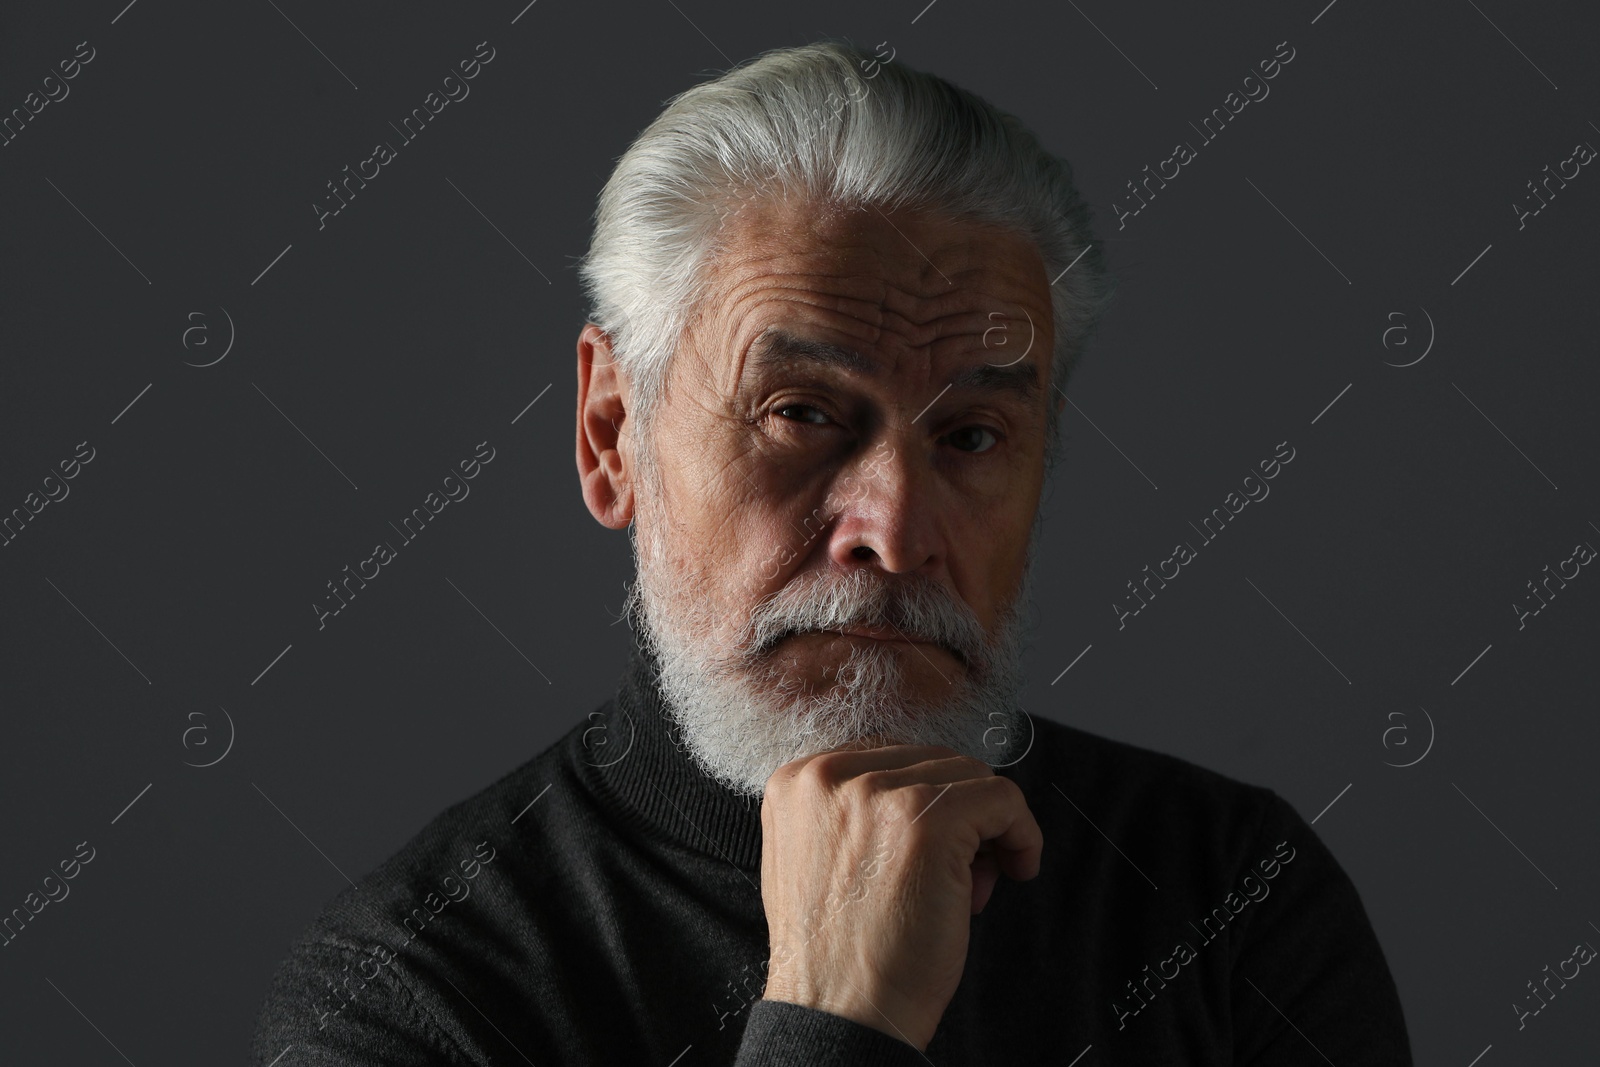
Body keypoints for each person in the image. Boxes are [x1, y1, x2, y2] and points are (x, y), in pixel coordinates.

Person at [251, 38, 1413, 1065]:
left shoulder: (1231, 898)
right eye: (801, 413)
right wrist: (836, 1017)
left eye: (969, 434)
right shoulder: (417, 987)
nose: (895, 529)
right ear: (612, 437)